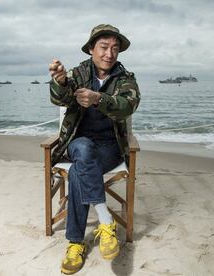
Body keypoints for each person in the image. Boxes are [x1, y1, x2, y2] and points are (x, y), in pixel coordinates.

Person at [48, 24, 140, 275]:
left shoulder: (125, 78)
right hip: (78, 142)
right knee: (83, 149)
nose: (109, 53)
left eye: (115, 48)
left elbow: (128, 105)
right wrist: (60, 81)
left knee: (79, 170)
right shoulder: (78, 73)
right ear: (91, 49)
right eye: (103, 47)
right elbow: (61, 97)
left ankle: (75, 243)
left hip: (110, 147)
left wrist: (99, 99)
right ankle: (106, 222)